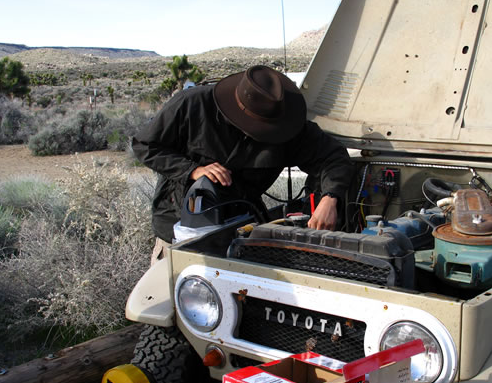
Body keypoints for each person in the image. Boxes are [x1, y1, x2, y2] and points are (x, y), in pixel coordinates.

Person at [132, 65, 354, 247]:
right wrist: (192, 170)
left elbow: (333, 157)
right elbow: (145, 145)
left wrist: (330, 197)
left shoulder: (286, 126)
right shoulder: (192, 105)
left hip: (242, 229)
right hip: (180, 230)